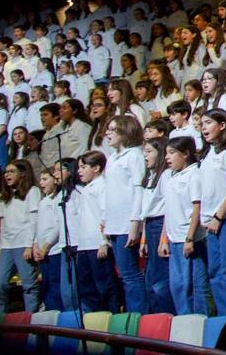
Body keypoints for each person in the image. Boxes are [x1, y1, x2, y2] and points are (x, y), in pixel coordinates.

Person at [159, 136, 210, 314]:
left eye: (172, 153)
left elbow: (197, 207)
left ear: (186, 154)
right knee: (178, 286)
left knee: (195, 287)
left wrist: (190, 238)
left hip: (190, 239)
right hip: (174, 239)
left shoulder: (194, 175)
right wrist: (163, 239)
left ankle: (198, 323)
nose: (167, 157)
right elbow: (169, 210)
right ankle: (184, 322)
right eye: (166, 153)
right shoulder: (171, 176)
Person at [101, 115, 148, 312]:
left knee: (130, 274)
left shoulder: (134, 155)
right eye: (108, 129)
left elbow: (138, 189)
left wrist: (135, 223)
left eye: (113, 130)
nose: (107, 133)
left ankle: (139, 316)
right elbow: (109, 190)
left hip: (127, 222)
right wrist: (104, 217)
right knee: (122, 273)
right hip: (114, 222)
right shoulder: (112, 158)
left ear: (126, 131)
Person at [199, 109, 226, 314]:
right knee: (215, 272)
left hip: (223, 218)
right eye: (202, 124)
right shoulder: (208, 153)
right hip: (209, 221)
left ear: (222, 125)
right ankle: (223, 318)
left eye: (209, 123)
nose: (204, 127)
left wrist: (218, 216)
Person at [72, 150, 117, 312]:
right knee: (87, 286)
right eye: (79, 167)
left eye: (83, 167)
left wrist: (104, 242)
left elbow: (105, 214)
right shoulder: (86, 188)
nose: (79, 171)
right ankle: (93, 319)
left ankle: (109, 317)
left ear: (96, 168)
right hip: (84, 245)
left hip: (97, 245)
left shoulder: (102, 185)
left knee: (104, 285)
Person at [0, 159, 41, 314]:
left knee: (29, 284)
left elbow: (34, 219)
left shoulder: (32, 191)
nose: (7, 175)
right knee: (0, 283)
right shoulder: (5, 195)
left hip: (24, 244)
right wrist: (1, 244)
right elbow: (3, 222)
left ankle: (32, 320)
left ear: (22, 174)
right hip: (7, 246)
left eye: (11, 172)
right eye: (6, 172)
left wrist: (29, 245)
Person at [138, 138, 175, 313]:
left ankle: (166, 317)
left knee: (161, 281)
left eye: (149, 152)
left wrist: (163, 239)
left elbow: (168, 208)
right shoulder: (148, 176)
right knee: (150, 280)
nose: (145, 156)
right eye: (144, 152)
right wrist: (144, 239)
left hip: (161, 225)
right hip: (150, 226)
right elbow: (146, 212)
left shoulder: (165, 175)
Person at [32, 165, 63, 311]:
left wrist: (47, 245)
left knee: (55, 284)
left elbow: (58, 226)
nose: (41, 183)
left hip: (54, 250)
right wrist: (36, 244)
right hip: (43, 252)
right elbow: (39, 226)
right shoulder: (44, 201)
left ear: (55, 180)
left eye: (45, 179)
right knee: (47, 284)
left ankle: (58, 316)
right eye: (40, 180)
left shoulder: (58, 199)